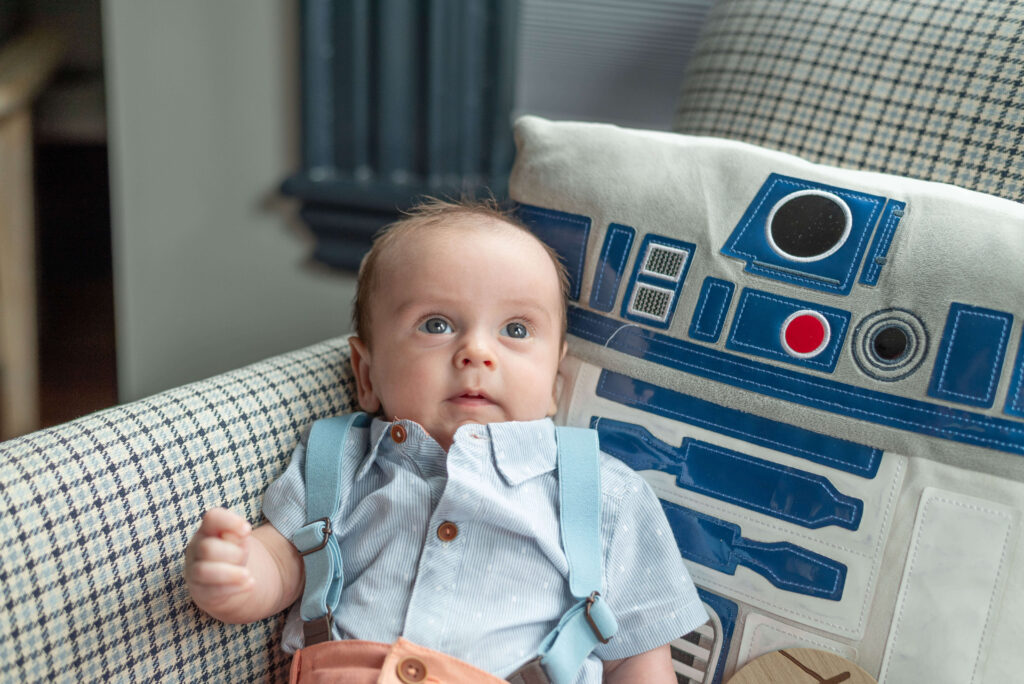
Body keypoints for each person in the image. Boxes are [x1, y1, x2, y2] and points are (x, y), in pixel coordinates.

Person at [184, 198, 707, 683]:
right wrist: (236, 577)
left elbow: (639, 654)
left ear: (554, 385)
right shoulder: (338, 463)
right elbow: (282, 563)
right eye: (436, 324)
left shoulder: (605, 496)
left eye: (517, 330)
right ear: (366, 375)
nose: (477, 352)